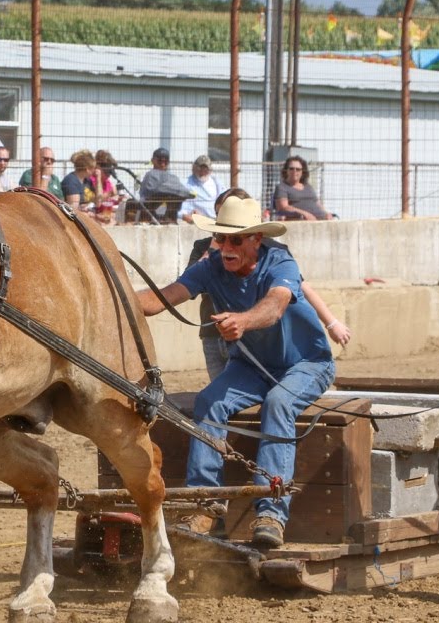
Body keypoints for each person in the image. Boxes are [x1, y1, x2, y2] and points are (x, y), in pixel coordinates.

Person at [136, 196, 336, 548]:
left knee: (278, 403)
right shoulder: (210, 267)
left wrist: (243, 321)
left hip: (307, 364)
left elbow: (275, 306)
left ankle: (272, 512)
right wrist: (107, 296)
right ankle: (206, 505)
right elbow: (160, 298)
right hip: (251, 366)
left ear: (256, 239)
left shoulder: (280, 262)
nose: (226, 247)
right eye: (222, 239)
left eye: (235, 239)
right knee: (210, 400)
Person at [189, 189, 352, 381]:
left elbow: (299, 287)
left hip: (254, 335)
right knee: (222, 392)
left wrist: (331, 323)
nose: (225, 223)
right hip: (213, 333)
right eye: (219, 216)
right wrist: (217, 246)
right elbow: (189, 285)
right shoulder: (203, 247)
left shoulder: (271, 250)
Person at [139, 148, 193, 224]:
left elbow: (184, 191)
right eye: (160, 161)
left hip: (170, 215)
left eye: (165, 161)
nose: (162, 164)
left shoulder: (173, 177)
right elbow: (150, 193)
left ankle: (169, 219)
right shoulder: (150, 175)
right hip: (151, 213)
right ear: (153, 161)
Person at [274, 156, 333, 221]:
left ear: (302, 172)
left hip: (321, 220)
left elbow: (317, 203)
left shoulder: (308, 187)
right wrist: (305, 214)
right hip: (302, 221)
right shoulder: (282, 187)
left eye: (298, 169)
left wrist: (326, 213)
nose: (294, 171)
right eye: (291, 168)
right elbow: (283, 208)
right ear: (286, 170)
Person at [178, 155, 224, 224]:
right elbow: (179, 208)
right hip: (195, 222)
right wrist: (186, 215)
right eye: (200, 168)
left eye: (205, 169)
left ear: (210, 170)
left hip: (215, 221)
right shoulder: (186, 183)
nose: (202, 172)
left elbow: (223, 200)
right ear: (193, 168)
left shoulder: (217, 183)